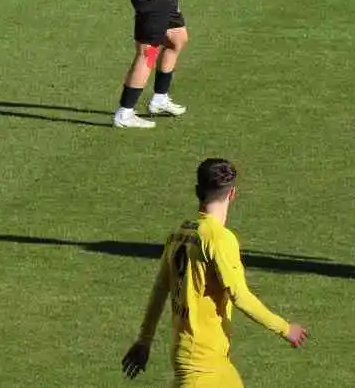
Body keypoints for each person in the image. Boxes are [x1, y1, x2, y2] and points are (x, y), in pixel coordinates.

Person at [121, 159, 309, 380]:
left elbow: (160, 289)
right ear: (232, 194)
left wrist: (145, 339)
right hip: (201, 367)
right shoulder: (219, 239)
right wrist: (285, 329)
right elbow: (240, 296)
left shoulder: (179, 234)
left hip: (213, 363)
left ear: (197, 191)